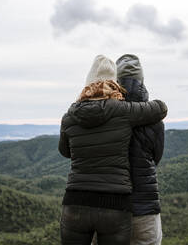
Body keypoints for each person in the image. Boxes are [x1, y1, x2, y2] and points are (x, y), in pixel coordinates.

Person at [58, 55, 167, 245]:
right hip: (118, 203)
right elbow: (160, 108)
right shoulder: (122, 111)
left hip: (75, 200)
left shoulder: (69, 115)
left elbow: (65, 152)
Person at [116, 54, 164, 245]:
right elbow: (156, 158)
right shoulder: (154, 118)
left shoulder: (107, 115)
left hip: (112, 208)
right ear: (142, 81)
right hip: (145, 207)